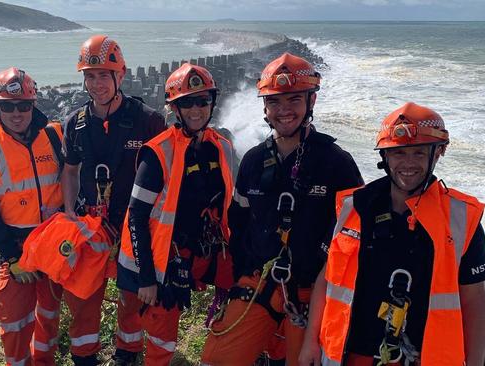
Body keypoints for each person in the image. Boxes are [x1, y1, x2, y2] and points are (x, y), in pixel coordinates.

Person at [200, 52, 363, 366]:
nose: (284, 110)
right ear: (264, 108)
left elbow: (353, 235)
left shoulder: (336, 164)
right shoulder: (253, 161)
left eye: (293, 100)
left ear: (310, 102)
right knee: (216, 359)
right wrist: (238, 279)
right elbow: (239, 221)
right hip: (258, 283)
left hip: (310, 292)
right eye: (274, 102)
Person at [299, 102, 485, 366]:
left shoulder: (460, 219)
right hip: (352, 354)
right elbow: (326, 279)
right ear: (385, 156)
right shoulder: (354, 207)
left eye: (419, 153)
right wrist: (310, 341)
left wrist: (476, 361)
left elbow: (474, 302)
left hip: (425, 357)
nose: (408, 164)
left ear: (438, 154)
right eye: (399, 153)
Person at [118, 63, 234, 365]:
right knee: (160, 336)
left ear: (211, 103)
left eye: (202, 101)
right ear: (175, 108)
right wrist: (147, 278)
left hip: (193, 252)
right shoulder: (157, 154)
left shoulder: (220, 148)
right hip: (158, 262)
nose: (196, 109)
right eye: (187, 102)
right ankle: (129, 355)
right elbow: (136, 216)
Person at [60, 35, 166, 365]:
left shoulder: (148, 121)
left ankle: (128, 352)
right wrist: (69, 215)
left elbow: (161, 177)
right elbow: (70, 172)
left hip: (132, 223)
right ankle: (84, 356)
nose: (96, 84)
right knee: (83, 297)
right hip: (91, 224)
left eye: (103, 75)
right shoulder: (75, 124)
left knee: (130, 296)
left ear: (120, 75)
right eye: (89, 76)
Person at [0, 67, 64, 366]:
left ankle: (44, 361)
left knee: (50, 313)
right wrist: (11, 255)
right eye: (7, 106)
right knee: (14, 321)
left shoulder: (56, 135)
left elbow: (76, 180)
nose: (16, 113)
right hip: (16, 245)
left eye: (24, 105)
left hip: (54, 242)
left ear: (34, 105)